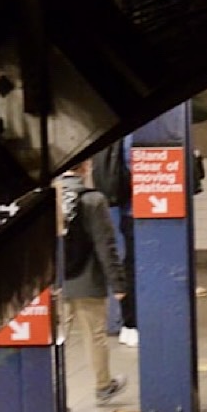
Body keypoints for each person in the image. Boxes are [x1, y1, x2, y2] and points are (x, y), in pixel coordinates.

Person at [57, 160, 129, 403]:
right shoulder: (93, 200)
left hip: (57, 282)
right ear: (86, 167)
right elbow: (105, 245)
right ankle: (103, 385)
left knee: (57, 341)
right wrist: (118, 283)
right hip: (87, 280)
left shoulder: (49, 198)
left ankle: (57, 399)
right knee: (95, 337)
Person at [91, 140, 138, 348]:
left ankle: (127, 324)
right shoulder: (140, 135)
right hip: (139, 209)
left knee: (126, 262)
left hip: (124, 206)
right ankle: (132, 323)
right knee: (134, 266)